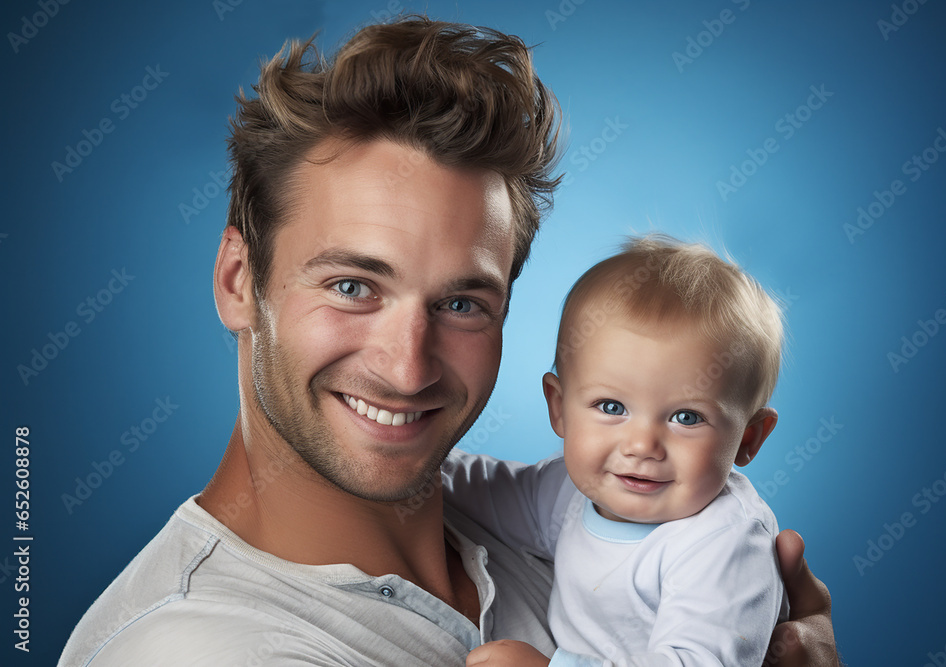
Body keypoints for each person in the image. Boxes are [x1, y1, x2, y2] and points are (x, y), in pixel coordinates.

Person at [59, 16, 839, 667]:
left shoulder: (576, 525)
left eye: (462, 302)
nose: (407, 368)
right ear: (239, 281)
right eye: (352, 286)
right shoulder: (199, 647)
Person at [450, 236, 788, 665]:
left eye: (686, 417)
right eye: (612, 407)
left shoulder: (726, 543)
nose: (642, 446)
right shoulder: (570, 491)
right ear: (559, 408)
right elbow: (476, 488)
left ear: (748, 438)